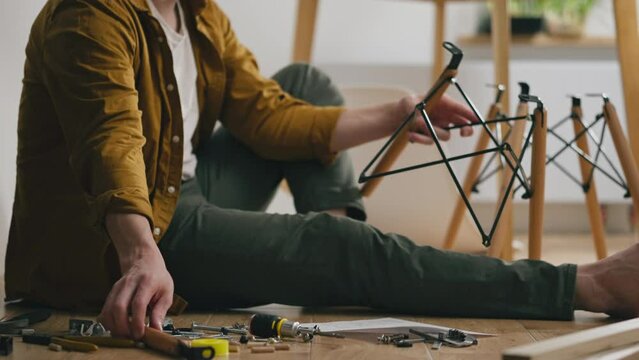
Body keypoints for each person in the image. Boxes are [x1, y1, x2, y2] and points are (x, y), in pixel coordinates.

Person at [7, 0, 639, 341]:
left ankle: (343, 256)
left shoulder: (196, 14)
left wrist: (400, 112)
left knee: (303, 82)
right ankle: (585, 284)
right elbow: (111, 143)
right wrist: (141, 256)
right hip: (121, 234)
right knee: (335, 246)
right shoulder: (88, 17)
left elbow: (270, 117)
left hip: (180, 185)